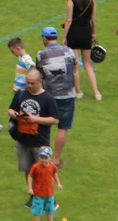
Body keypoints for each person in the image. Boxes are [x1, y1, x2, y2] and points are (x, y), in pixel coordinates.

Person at [8, 68, 60, 210]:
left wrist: (35, 119)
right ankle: (34, 196)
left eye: (32, 83)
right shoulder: (21, 94)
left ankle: (50, 199)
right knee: (28, 170)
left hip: (40, 142)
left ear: (40, 82)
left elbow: (55, 120)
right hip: (22, 139)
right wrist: (16, 115)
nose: (29, 86)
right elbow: (10, 109)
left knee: (44, 172)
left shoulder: (47, 99)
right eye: (27, 83)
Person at [35, 27, 77, 169]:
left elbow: (39, 73)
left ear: (45, 38)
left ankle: (42, 156)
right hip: (67, 94)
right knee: (63, 127)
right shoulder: (69, 51)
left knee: (44, 124)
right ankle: (56, 160)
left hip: (49, 96)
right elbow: (74, 69)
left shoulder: (41, 55)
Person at [62, 0, 101, 100]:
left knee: (74, 65)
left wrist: (64, 37)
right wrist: (93, 33)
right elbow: (93, 19)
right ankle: (96, 92)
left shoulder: (71, 0)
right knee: (87, 64)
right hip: (86, 33)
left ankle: (78, 91)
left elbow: (68, 21)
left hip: (74, 33)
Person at [27, 146, 62, 221]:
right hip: (38, 195)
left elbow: (55, 174)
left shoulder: (52, 166)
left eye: (46, 158)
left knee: (50, 212)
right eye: (41, 158)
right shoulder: (36, 167)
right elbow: (30, 176)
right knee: (37, 212)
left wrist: (58, 183)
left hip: (49, 194)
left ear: (50, 157)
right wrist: (30, 188)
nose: (43, 160)